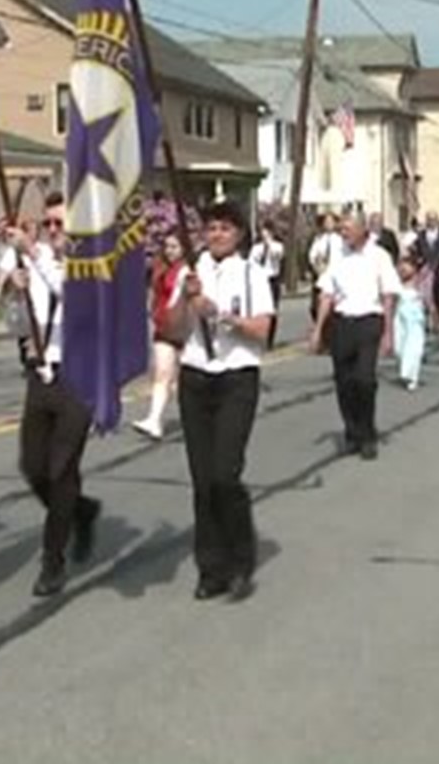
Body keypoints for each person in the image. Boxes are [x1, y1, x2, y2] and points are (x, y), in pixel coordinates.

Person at [176, 201, 275, 601]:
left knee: (224, 474)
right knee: (202, 481)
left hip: (236, 376)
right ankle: (210, 567)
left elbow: (263, 330)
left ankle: (240, 558)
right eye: (211, 228)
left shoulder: (252, 273)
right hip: (196, 376)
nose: (216, 234)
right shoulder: (191, 272)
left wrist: (221, 315)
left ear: (238, 234)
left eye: (224, 228)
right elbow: (170, 327)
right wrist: (186, 302)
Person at [1, 198, 99, 598]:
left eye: (60, 224)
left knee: (61, 469)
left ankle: (52, 560)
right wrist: (13, 295)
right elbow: (19, 328)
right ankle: (79, 510)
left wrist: (33, 254)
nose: (53, 230)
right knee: (32, 467)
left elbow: (75, 304)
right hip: (41, 376)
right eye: (48, 224)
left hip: (80, 377)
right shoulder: (36, 268)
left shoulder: (92, 270)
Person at [310, 213, 399, 459]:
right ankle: (352, 431)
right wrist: (318, 330)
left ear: (363, 230)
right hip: (342, 323)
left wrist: (388, 333)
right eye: (341, 229)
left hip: (369, 321)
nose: (343, 232)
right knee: (344, 381)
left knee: (365, 380)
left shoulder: (379, 256)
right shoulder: (338, 256)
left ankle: (368, 433)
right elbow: (326, 293)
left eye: (348, 228)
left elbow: (388, 295)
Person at [133, 233, 189, 440]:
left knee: (187, 381)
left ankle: (197, 419)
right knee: (162, 373)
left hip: (186, 329)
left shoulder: (189, 270)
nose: (170, 251)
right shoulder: (160, 268)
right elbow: (155, 295)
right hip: (164, 328)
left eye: (174, 246)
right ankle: (154, 420)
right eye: (167, 247)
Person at [393, 253, 428, 391]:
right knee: (399, 346)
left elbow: (428, 301)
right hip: (399, 316)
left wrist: (436, 320)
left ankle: (412, 377)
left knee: (414, 346)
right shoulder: (395, 284)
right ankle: (405, 369)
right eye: (401, 266)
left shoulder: (419, 283)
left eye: (407, 266)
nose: (403, 269)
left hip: (415, 317)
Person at [249, 223, 285, 349]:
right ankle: (260, 337)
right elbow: (251, 263)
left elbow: (278, 256)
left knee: (272, 310)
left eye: (267, 233)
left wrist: (268, 244)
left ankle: (270, 340)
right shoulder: (256, 248)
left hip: (272, 279)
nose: (265, 235)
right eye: (263, 233)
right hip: (260, 279)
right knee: (259, 309)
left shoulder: (278, 246)